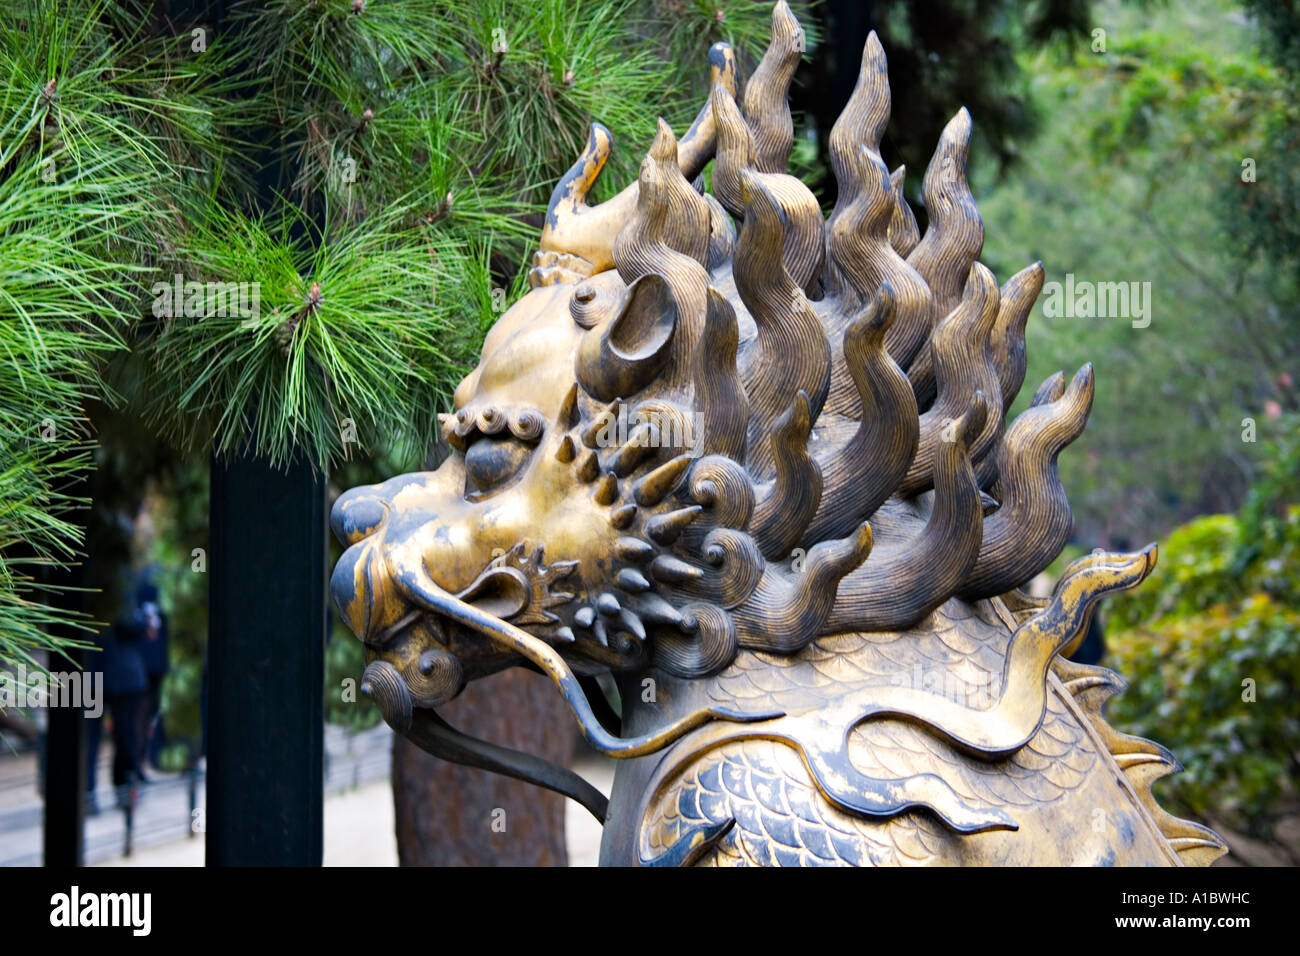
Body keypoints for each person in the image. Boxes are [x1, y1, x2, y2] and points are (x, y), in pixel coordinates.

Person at [130, 576, 169, 775]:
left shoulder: (146, 578)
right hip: (149, 662)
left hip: (152, 662)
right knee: (143, 713)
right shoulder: (146, 580)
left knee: (148, 713)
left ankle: (143, 761)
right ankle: (139, 763)